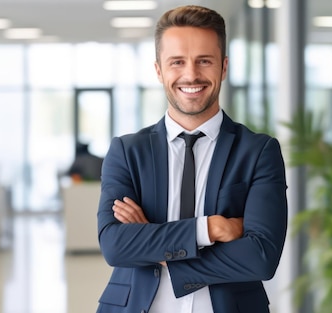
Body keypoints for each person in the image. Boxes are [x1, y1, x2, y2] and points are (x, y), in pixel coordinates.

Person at [97, 5, 287, 313]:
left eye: (204, 61)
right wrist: (208, 229)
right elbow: (115, 246)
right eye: (177, 62)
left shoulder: (259, 152)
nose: (191, 74)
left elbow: (261, 258)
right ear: (159, 70)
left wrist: (156, 246)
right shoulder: (127, 152)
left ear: (223, 67)